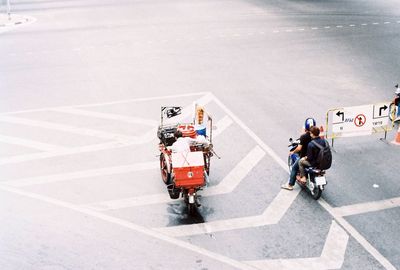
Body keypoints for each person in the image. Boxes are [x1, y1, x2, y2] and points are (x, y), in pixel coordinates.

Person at [281, 117, 316, 190]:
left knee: (294, 167)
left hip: (305, 158)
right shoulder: (316, 135)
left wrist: (293, 151)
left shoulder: (304, 137)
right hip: (315, 157)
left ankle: (290, 185)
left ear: (306, 127)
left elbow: (299, 148)